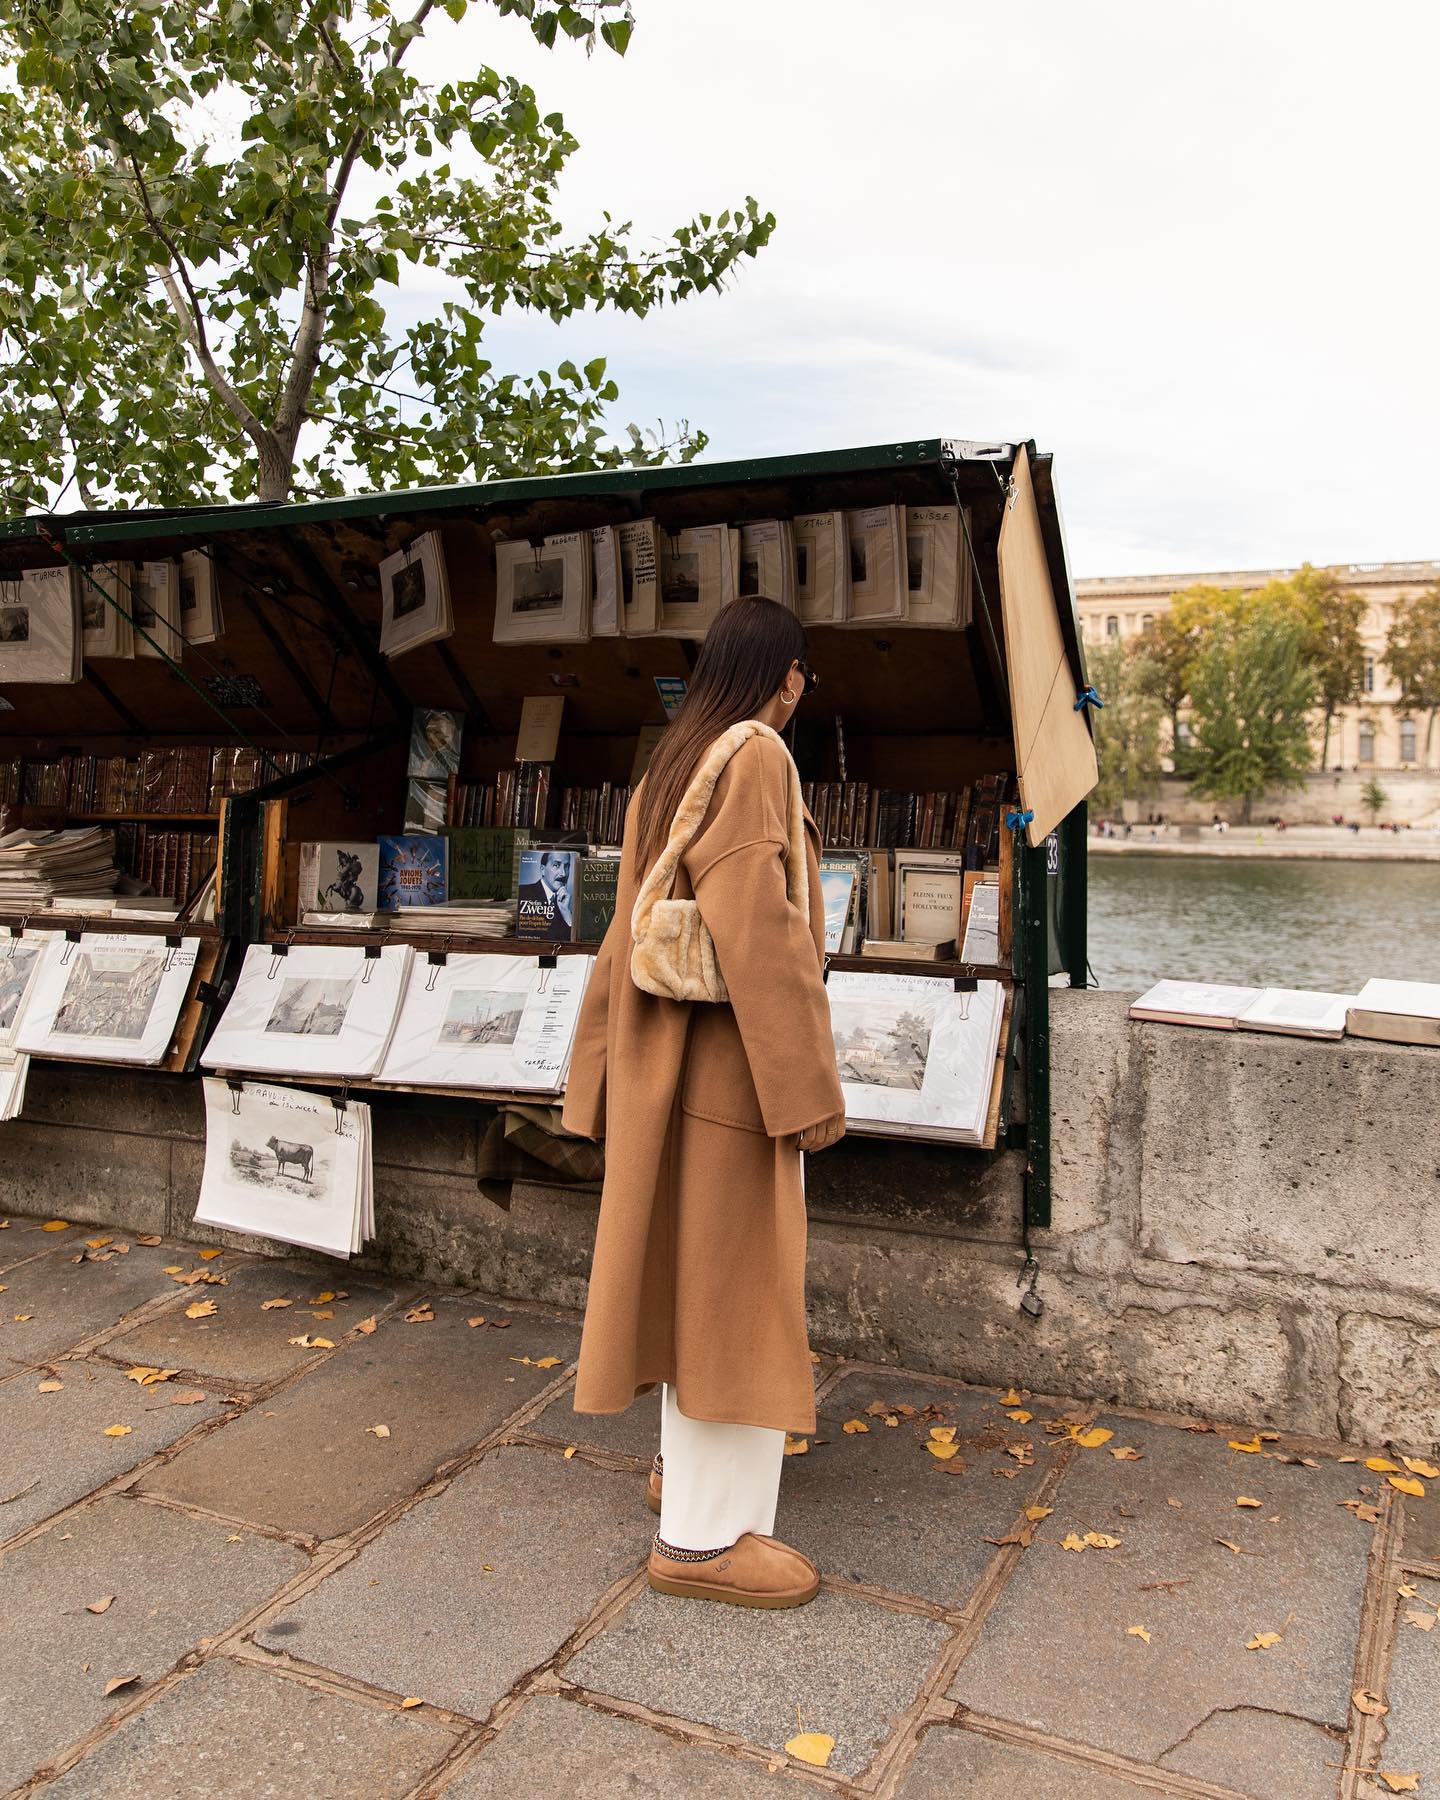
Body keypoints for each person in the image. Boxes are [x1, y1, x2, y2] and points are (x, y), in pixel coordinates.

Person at [562, 597, 845, 1610]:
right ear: (787, 674)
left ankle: (683, 1480)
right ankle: (703, 1541)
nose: (801, 687)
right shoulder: (759, 755)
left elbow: (621, 925)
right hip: (728, 1069)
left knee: (688, 1278)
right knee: (734, 1287)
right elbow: (757, 932)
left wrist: (595, 1071)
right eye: (801, 671)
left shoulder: (674, 758)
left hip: (661, 1062)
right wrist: (807, 1085)